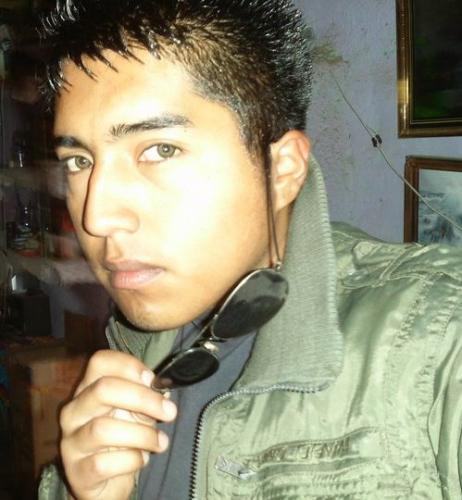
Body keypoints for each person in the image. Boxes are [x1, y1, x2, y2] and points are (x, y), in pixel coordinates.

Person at [38, 1, 462, 499]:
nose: (96, 216)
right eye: (79, 160)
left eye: (160, 150)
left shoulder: (437, 339)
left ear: (283, 170)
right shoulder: (134, 344)